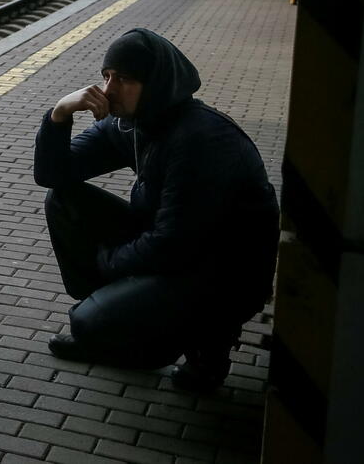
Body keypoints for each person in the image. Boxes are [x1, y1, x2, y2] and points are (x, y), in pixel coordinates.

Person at [34, 28, 280, 391]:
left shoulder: (201, 140)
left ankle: (207, 347)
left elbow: (173, 244)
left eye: (125, 79)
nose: (109, 90)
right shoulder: (132, 123)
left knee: (89, 323)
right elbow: (53, 175)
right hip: (177, 248)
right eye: (107, 76)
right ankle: (119, 319)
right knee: (64, 201)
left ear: (156, 84)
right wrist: (59, 114)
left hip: (225, 274)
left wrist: (109, 262)